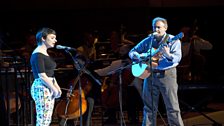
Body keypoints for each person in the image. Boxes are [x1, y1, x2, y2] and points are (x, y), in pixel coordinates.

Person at [129, 17, 184, 126]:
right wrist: (138, 56)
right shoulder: (148, 40)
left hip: (167, 75)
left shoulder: (174, 40)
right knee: (149, 107)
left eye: (159, 27)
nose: (156, 29)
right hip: (150, 74)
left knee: (172, 107)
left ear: (166, 28)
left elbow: (177, 58)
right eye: (154, 27)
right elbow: (132, 52)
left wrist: (168, 54)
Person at [95, 44, 142, 124]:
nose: (120, 53)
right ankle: (111, 118)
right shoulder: (116, 63)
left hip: (132, 90)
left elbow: (139, 84)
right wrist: (92, 72)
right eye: (120, 51)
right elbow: (105, 71)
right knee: (112, 95)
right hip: (118, 90)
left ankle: (133, 118)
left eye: (123, 51)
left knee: (132, 94)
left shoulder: (136, 64)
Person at [30, 27, 62, 126]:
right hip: (42, 87)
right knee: (43, 120)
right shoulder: (37, 54)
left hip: (48, 86)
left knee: (47, 119)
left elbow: (50, 73)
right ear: (43, 38)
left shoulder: (44, 53)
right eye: (52, 38)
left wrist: (57, 87)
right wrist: (54, 89)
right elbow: (42, 75)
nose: (55, 40)